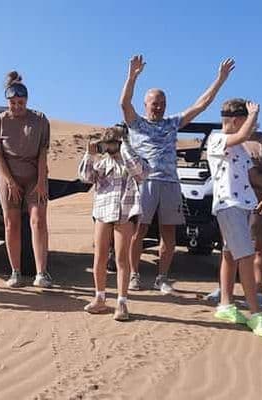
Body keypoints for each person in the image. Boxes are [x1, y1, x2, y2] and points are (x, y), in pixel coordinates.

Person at [120, 55, 236, 293]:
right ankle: (134, 275)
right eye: (155, 102)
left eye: (162, 102)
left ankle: (162, 277)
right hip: (145, 183)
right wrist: (132, 76)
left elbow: (200, 105)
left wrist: (220, 79)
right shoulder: (136, 123)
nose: (159, 106)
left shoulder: (172, 123)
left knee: (169, 233)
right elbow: (124, 103)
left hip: (172, 184)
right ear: (146, 104)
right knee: (138, 231)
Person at [206, 99, 262, 338]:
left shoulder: (240, 148)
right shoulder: (218, 139)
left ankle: (225, 305)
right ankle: (256, 315)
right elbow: (241, 134)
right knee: (245, 256)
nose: (253, 125)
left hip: (245, 204)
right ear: (237, 120)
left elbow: (253, 175)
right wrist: (253, 115)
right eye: (249, 121)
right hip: (229, 205)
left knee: (229, 254)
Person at [0, 71, 52, 288]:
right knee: (11, 223)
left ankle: (42, 273)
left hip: (34, 175)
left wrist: (42, 181)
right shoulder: (0, 121)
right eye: (13, 102)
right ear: (8, 102)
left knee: (38, 221)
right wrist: (10, 181)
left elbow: (43, 151)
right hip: (9, 177)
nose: (17, 106)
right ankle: (15, 272)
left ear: (27, 100)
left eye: (21, 102)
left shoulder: (40, 120)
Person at [78, 127, 146, 321]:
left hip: (125, 212)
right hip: (102, 211)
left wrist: (125, 148)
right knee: (99, 257)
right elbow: (85, 177)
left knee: (121, 259)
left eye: (113, 143)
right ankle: (99, 298)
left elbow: (140, 173)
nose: (109, 147)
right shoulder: (102, 163)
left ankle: (122, 301)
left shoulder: (131, 160)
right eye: (106, 143)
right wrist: (89, 155)